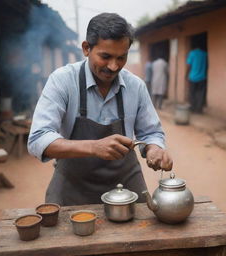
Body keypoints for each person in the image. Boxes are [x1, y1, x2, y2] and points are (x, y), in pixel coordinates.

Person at [27, 13, 173, 206]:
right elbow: (38, 139)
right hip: (73, 184)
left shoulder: (135, 86)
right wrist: (94, 147)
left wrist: (154, 148)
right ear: (86, 48)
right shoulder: (62, 81)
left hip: (126, 182)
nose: (113, 66)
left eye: (121, 58)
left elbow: (151, 133)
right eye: (105, 57)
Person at [186, 40, 208, 113]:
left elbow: (189, 65)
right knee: (200, 94)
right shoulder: (205, 54)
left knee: (192, 93)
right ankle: (199, 109)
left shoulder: (192, 53)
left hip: (193, 77)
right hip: (202, 77)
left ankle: (193, 108)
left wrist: (186, 75)